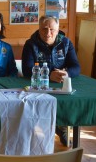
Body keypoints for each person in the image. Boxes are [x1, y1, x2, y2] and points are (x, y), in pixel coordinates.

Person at [22, 15, 80, 146]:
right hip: (40, 85)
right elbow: (26, 69)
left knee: (70, 102)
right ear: (39, 29)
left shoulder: (66, 43)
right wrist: (48, 76)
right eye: (44, 29)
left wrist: (66, 73)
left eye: (52, 29)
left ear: (58, 30)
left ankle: (62, 125)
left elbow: (76, 67)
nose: (48, 33)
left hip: (61, 84)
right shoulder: (30, 44)